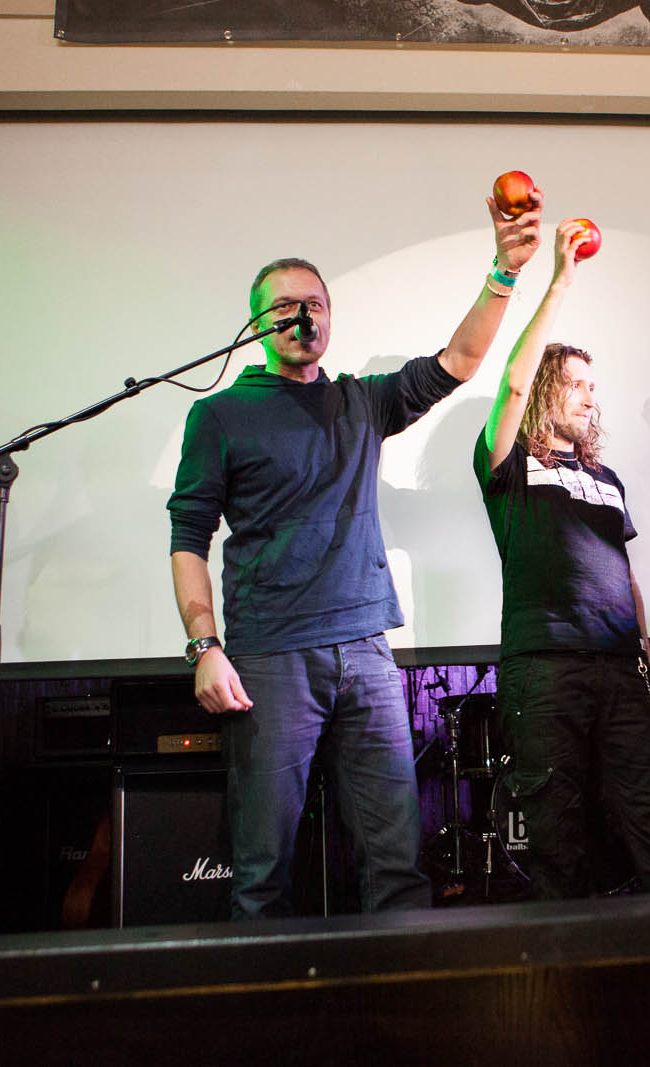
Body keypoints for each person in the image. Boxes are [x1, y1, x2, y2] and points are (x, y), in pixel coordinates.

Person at [167, 188, 543, 918]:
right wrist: (203, 646)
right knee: (262, 868)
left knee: (396, 859)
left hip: (366, 650)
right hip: (271, 656)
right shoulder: (219, 415)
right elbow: (188, 537)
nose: (302, 315)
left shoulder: (360, 401)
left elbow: (460, 361)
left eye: (314, 303)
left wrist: (504, 271)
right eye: (285, 306)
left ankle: (399, 988)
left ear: (329, 318)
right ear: (257, 323)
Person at [474, 219, 650, 899]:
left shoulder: (607, 480)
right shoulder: (509, 464)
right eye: (573, 383)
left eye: (592, 385)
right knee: (557, 843)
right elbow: (511, 385)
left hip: (622, 672)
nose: (588, 395)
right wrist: (560, 281)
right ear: (546, 388)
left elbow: (625, 581)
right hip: (545, 670)